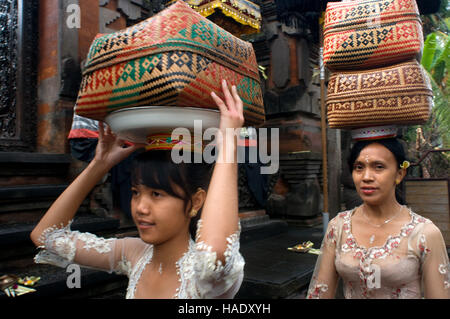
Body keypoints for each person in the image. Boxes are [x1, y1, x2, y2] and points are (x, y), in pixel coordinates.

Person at [30, 80, 245, 299]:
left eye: (156, 194)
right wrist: (98, 165)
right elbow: (45, 236)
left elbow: (214, 255)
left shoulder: (205, 278)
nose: (140, 207)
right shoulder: (133, 254)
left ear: (196, 202)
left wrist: (228, 142)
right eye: (135, 192)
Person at [307, 137, 450, 299]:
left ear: (399, 174)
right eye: (359, 167)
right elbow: (320, 293)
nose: (366, 177)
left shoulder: (425, 233)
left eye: (379, 167)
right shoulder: (338, 226)